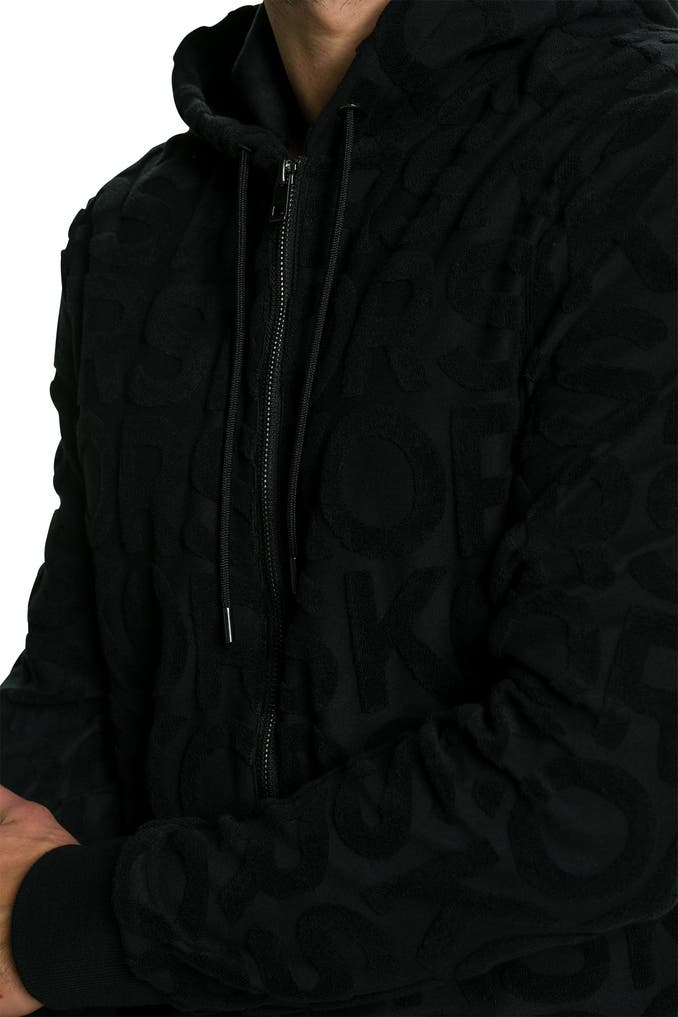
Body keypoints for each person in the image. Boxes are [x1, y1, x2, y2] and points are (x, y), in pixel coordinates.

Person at [0, 0, 676, 1014]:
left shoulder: (642, 153)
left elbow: (611, 786)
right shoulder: (140, 228)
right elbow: (76, 700)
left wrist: (94, 922)